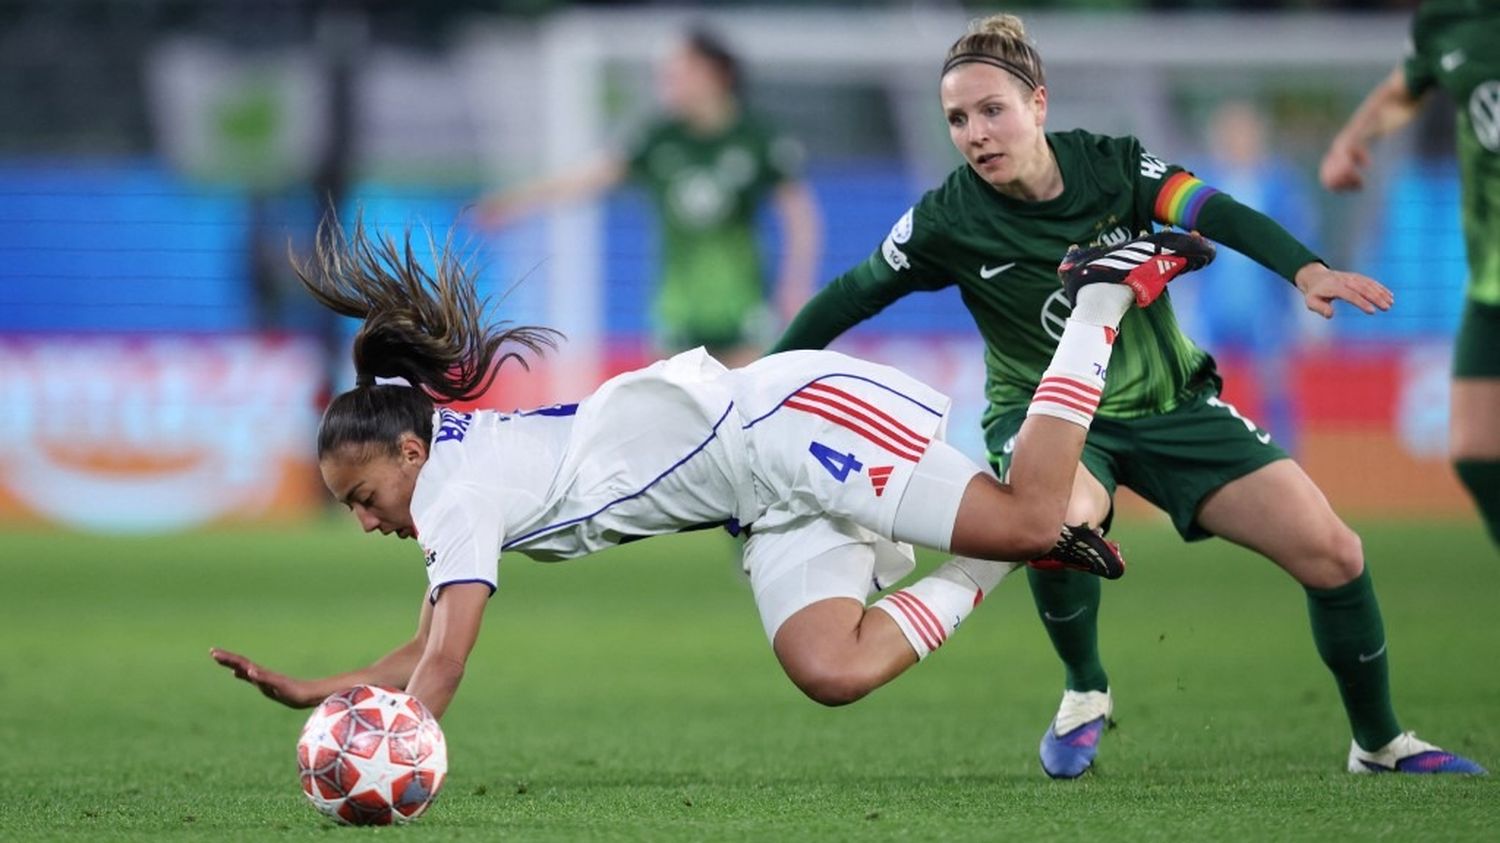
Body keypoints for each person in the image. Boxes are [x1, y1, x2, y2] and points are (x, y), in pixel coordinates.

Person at [771, 14, 1485, 777]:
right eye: (956, 118)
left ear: (1038, 104)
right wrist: (761, 390)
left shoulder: (1111, 167)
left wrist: (1305, 270)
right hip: (1048, 420)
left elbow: (1211, 211)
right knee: (1053, 515)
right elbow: (849, 295)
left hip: (1170, 404)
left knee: (1337, 553)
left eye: (992, 110)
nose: (975, 133)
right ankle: (1084, 689)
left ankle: (1377, 743)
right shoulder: (947, 217)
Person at [209, 215, 1188, 721]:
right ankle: (985, 565)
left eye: (365, 498)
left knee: (1031, 512)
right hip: (758, 497)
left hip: (783, 425)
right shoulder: (450, 475)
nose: (368, 520)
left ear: (409, 454)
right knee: (829, 669)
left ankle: (1100, 303)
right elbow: (420, 654)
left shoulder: (455, 490)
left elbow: (446, 662)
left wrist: (394, 748)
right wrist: (317, 692)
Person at [476, 28, 821, 368]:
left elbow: (799, 214)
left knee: (751, 408)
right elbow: (586, 178)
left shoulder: (757, 138)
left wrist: (797, 283)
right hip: (677, 306)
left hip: (744, 303)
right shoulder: (658, 139)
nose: (667, 84)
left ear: (712, 74)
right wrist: (514, 202)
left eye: (677, 74)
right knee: (675, 414)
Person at [1320, 0, 1500, 548]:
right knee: (1474, 450)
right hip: (1491, 280)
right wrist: (1355, 137)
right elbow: (1407, 87)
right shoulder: (1448, 18)